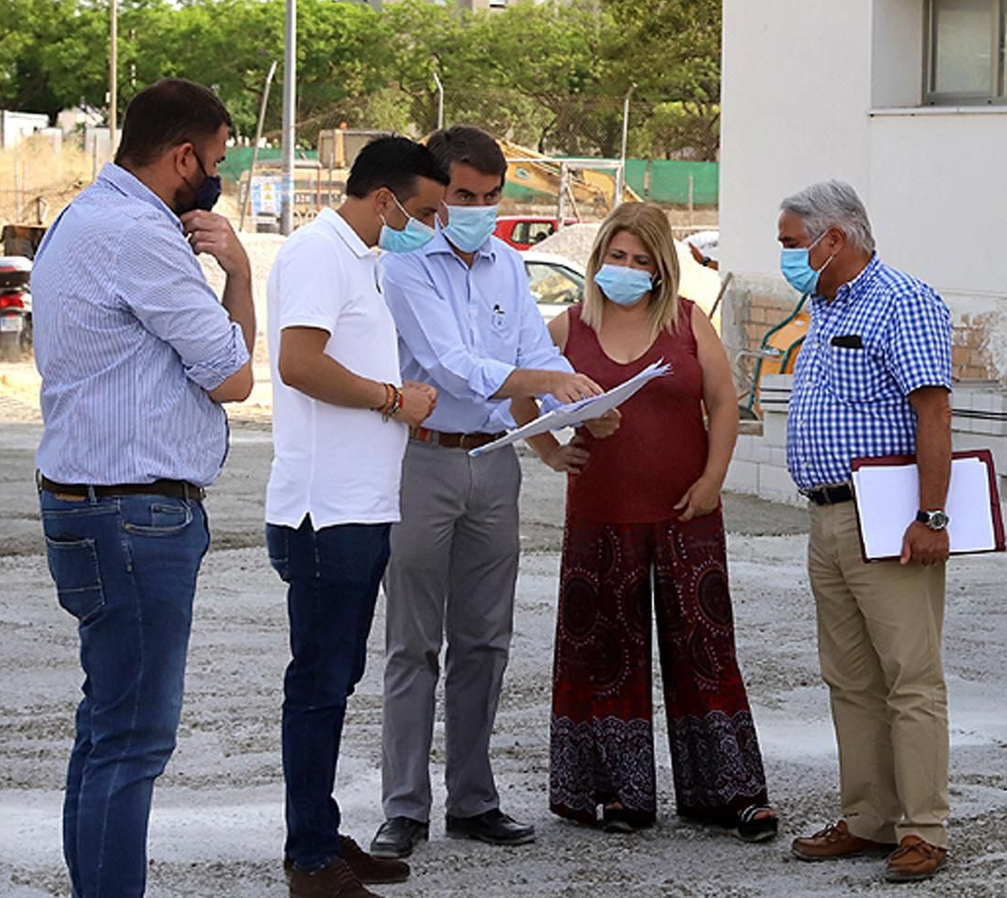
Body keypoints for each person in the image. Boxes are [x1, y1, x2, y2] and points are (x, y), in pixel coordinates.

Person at [33, 77, 255, 898]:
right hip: (134, 517)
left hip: (90, 503)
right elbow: (233, 374)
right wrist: (237, 267)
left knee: (105, 731)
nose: (218, 176)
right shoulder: (142, 233)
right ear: (183, 156)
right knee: (132, 741)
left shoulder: (82, 216)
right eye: (219, 160)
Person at [370, 125, 611, 858]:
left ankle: (473, 799)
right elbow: (453, 366)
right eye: (463, 196)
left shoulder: (508, 263)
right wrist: (550, 382)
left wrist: (577, 412)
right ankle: (405, 806)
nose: (478, 208)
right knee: (414, 644)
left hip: (495, 464)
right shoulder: (405, 265)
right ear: (437, 194)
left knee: (486, 641)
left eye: (490, 196)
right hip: (423, 461)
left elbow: (534, 355)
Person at [545, 202, 777, 841]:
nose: (626, 268)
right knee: (606, 654)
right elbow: (518, 391)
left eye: (641, 260)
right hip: (599, 515)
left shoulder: (687, 322)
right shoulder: (569, 328)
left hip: (686, 513)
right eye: (617, 257)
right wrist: (548, 449)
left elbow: (724, 402)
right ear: (598, 262)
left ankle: (730, 791)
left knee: (705, 650)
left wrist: (712, 479)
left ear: (662, 268)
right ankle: (616, 793)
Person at [264, 135, 447, 898]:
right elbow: (298, 362)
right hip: (324, 514)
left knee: (336, 677)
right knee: (318, 683)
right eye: (427, 210)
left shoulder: (363, 260)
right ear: (385, 199)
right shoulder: (319, 252)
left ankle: (319, 829)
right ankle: (310, 859)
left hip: (359, 508)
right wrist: (390, 398)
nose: (432, 226)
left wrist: (397, 404)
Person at [777, 180, 955, 884]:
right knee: (850, 678)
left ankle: (923, 827)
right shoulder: (823, 305)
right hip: (824, 515)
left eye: (793, 243)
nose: (787, 256)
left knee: (910, 676)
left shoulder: (903, 301)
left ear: (834, 240)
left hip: (883, 512)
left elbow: (932, 412)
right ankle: (869, 817)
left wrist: (931, 515)